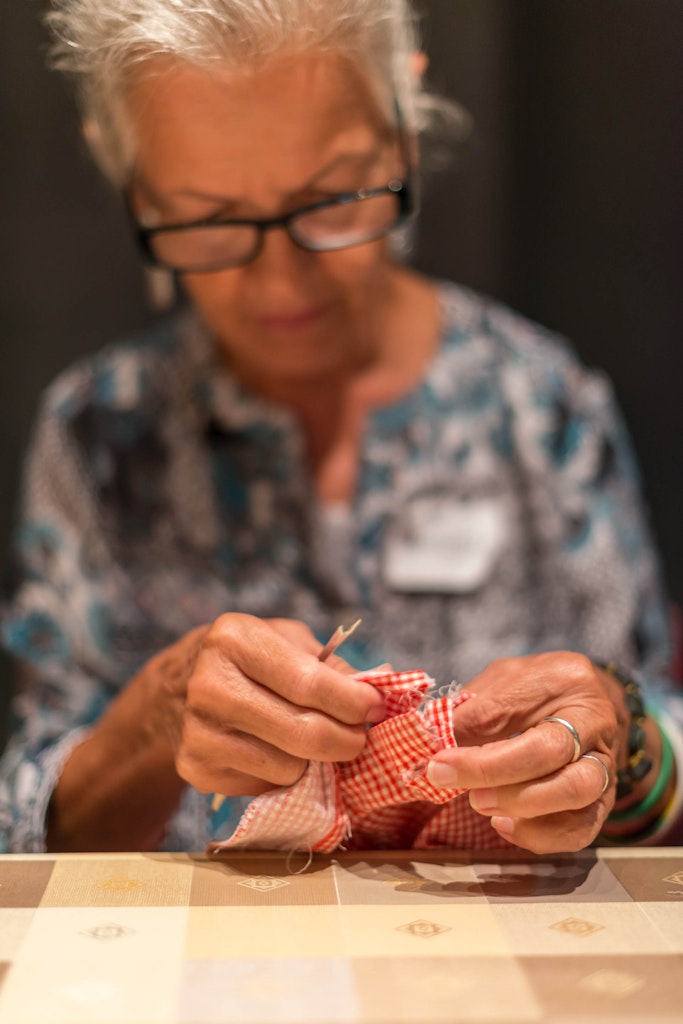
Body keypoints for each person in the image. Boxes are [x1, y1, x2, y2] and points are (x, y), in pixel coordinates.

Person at [0, 0, 681, 856]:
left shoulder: (536, 405)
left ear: (401, 128)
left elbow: (663, 750)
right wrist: (155, 721)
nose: (280, 283)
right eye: (208, 220)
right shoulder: (101, 436)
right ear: (130, 180)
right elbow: (26, 830)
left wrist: (618, 744)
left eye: (330, 200)